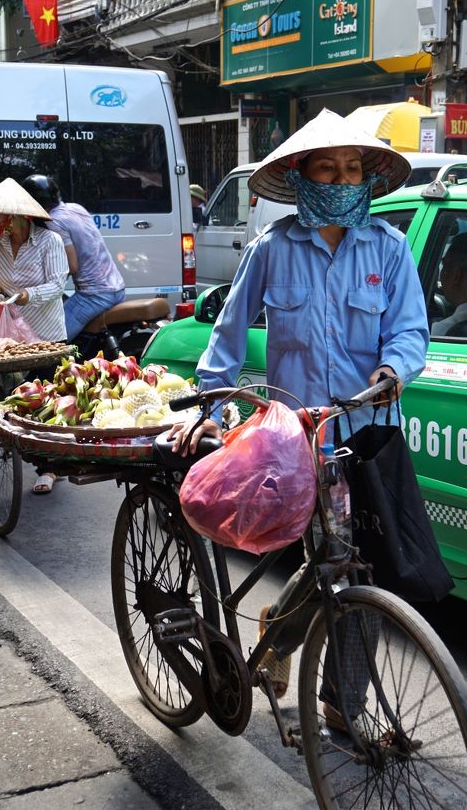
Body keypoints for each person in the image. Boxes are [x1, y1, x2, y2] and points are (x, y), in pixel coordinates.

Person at [168, 108, 429, 719]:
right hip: (296, 444)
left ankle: (336, 696)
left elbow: (411, 331)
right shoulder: (273, 249)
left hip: (364, 440)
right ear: (302, 176)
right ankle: (322, 680)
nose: (341, 181)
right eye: (328, 170)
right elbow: (228, 335)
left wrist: (394, 370)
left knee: (359, 568)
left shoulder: (389, 251)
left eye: (351, 170)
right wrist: (212, 403)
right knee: (335, 562)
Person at [0, 178, 69, 495]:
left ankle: (47, 468)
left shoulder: (50, 242)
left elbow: (58, 285)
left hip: (48, 335)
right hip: (13, 338)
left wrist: (28, 294)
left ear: (18, 216)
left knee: (46, 402)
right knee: (20, 398)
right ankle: (38, 453)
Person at [22, 175, 125, 342]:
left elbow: (72, 266)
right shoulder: (76, 208)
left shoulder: (54, 222)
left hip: (94, 295)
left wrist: (42, 280)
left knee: (51, 341)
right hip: (116, 287)